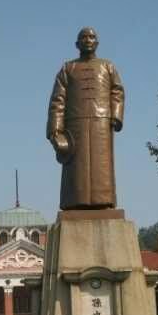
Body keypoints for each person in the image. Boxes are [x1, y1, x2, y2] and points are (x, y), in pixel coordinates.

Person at [47, 27, 124, 209]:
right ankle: (74, 202)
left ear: (97, 42)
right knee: (76, 169)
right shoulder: (68, 68)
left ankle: (103, 201)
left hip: (101, 123)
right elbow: (57, 100)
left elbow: (117, 91)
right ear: (77, 44)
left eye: (91, 37)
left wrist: (116, 115)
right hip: (74, 126)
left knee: (101, 167)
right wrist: (55, 130)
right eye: (84, 37)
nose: (88, 40)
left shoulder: (108, 66)